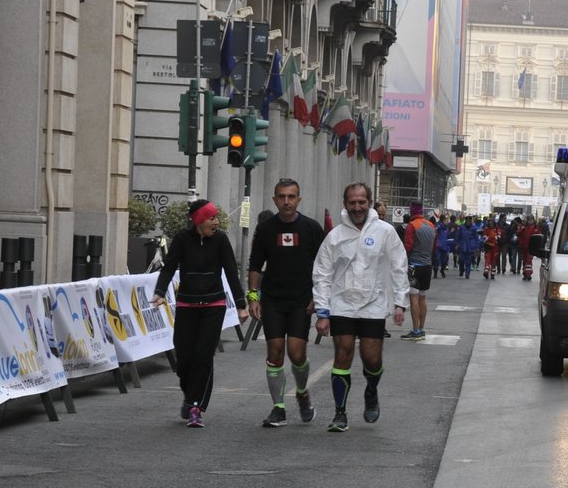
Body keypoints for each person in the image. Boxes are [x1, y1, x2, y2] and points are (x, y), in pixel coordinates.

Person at [312, 183, 409, 432]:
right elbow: (322, 274)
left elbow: (399, 266)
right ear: (345, 204)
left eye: (362, 202)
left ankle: (371, 390)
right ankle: (340, 413)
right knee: (343, 355)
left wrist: (400, 302)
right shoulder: (335, 236)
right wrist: (323, 311)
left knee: (372, 359)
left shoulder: (385, 231)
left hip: (373, 305)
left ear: (369, 203)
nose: (357, 207)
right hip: (342, 304)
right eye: (352, 203)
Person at [152, 198, 246, 428]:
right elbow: (170, 266)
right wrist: (160, 291)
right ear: (199, 220)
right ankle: (190, 393)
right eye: (212, 218)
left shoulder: (221, 240)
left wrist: (241, 304)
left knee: (204, 356)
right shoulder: (183, 240)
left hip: (214, 305)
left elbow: (232, 272)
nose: (216, 222)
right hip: (187, 305)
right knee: (184, 359)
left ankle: (196, 406)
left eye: (216, 218)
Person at [247, 178, 326, 428]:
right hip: (272, 300)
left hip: (301, 300)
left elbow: (324, 266)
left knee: (297, 353)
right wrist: (252, 296)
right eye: (281, 197)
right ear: (274, 200)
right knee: (275, 353)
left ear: (298, 199)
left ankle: (302, 391)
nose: (286, 202)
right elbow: (255, 265)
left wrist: (319, 297)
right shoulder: (266, 229)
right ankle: (278, 407)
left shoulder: (312, 228)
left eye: (291, 197)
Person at [402, 203, 435, 341]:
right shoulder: (431, 226)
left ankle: (415, 331)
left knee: (413, 297)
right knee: (422, 296)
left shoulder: (412, 225)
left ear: (412, 211)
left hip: (415, 265)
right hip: (427, 265)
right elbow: (434, 245)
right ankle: (421, 328)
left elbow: (408, 246)